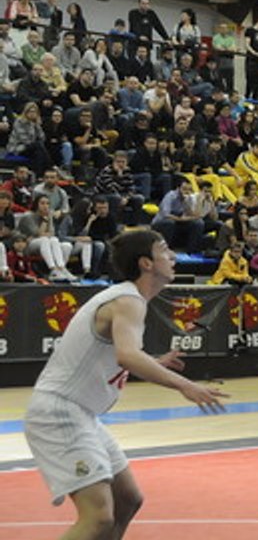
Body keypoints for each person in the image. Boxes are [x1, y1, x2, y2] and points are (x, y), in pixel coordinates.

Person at [22, 229, 227, 538]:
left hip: (82, 414)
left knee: (128, 499)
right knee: (98, 518)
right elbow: (128, 356)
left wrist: (154, 363)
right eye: (164, 250)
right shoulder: (128, 299)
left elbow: (117, 355)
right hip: (59, 411)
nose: (172, 256)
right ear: (146, 263)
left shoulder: (128, 298)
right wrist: (185, 385)